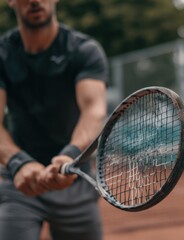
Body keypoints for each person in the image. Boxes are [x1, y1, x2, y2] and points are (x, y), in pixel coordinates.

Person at [0, 0, 108, 239]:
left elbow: (94, 110)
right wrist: (18, 162)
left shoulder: (84, 50)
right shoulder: (3, 54)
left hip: (74, 176)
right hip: (19, 183)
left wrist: (71, 154)